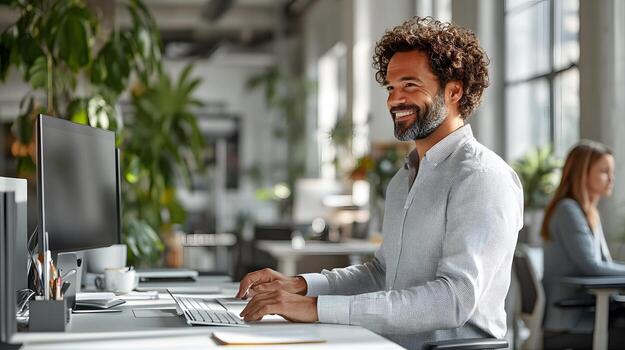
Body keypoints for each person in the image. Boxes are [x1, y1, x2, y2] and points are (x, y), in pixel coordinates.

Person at [236, 16, 523, 349]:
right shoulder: (404, 179)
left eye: (410, 85)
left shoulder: (482, 178)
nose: (394, 99)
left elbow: (453, 300)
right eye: (391, 87)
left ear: (454, 90)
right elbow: (381, 274)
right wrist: (300, 285)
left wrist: (313, 309)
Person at [542, 140, 625, 334]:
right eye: (604, 172)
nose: (611, 179)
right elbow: (592, 266)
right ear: (582, 174)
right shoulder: (568, 211)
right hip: (572, 317)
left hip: (586, 311)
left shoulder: (588, 212)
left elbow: (602, 263)